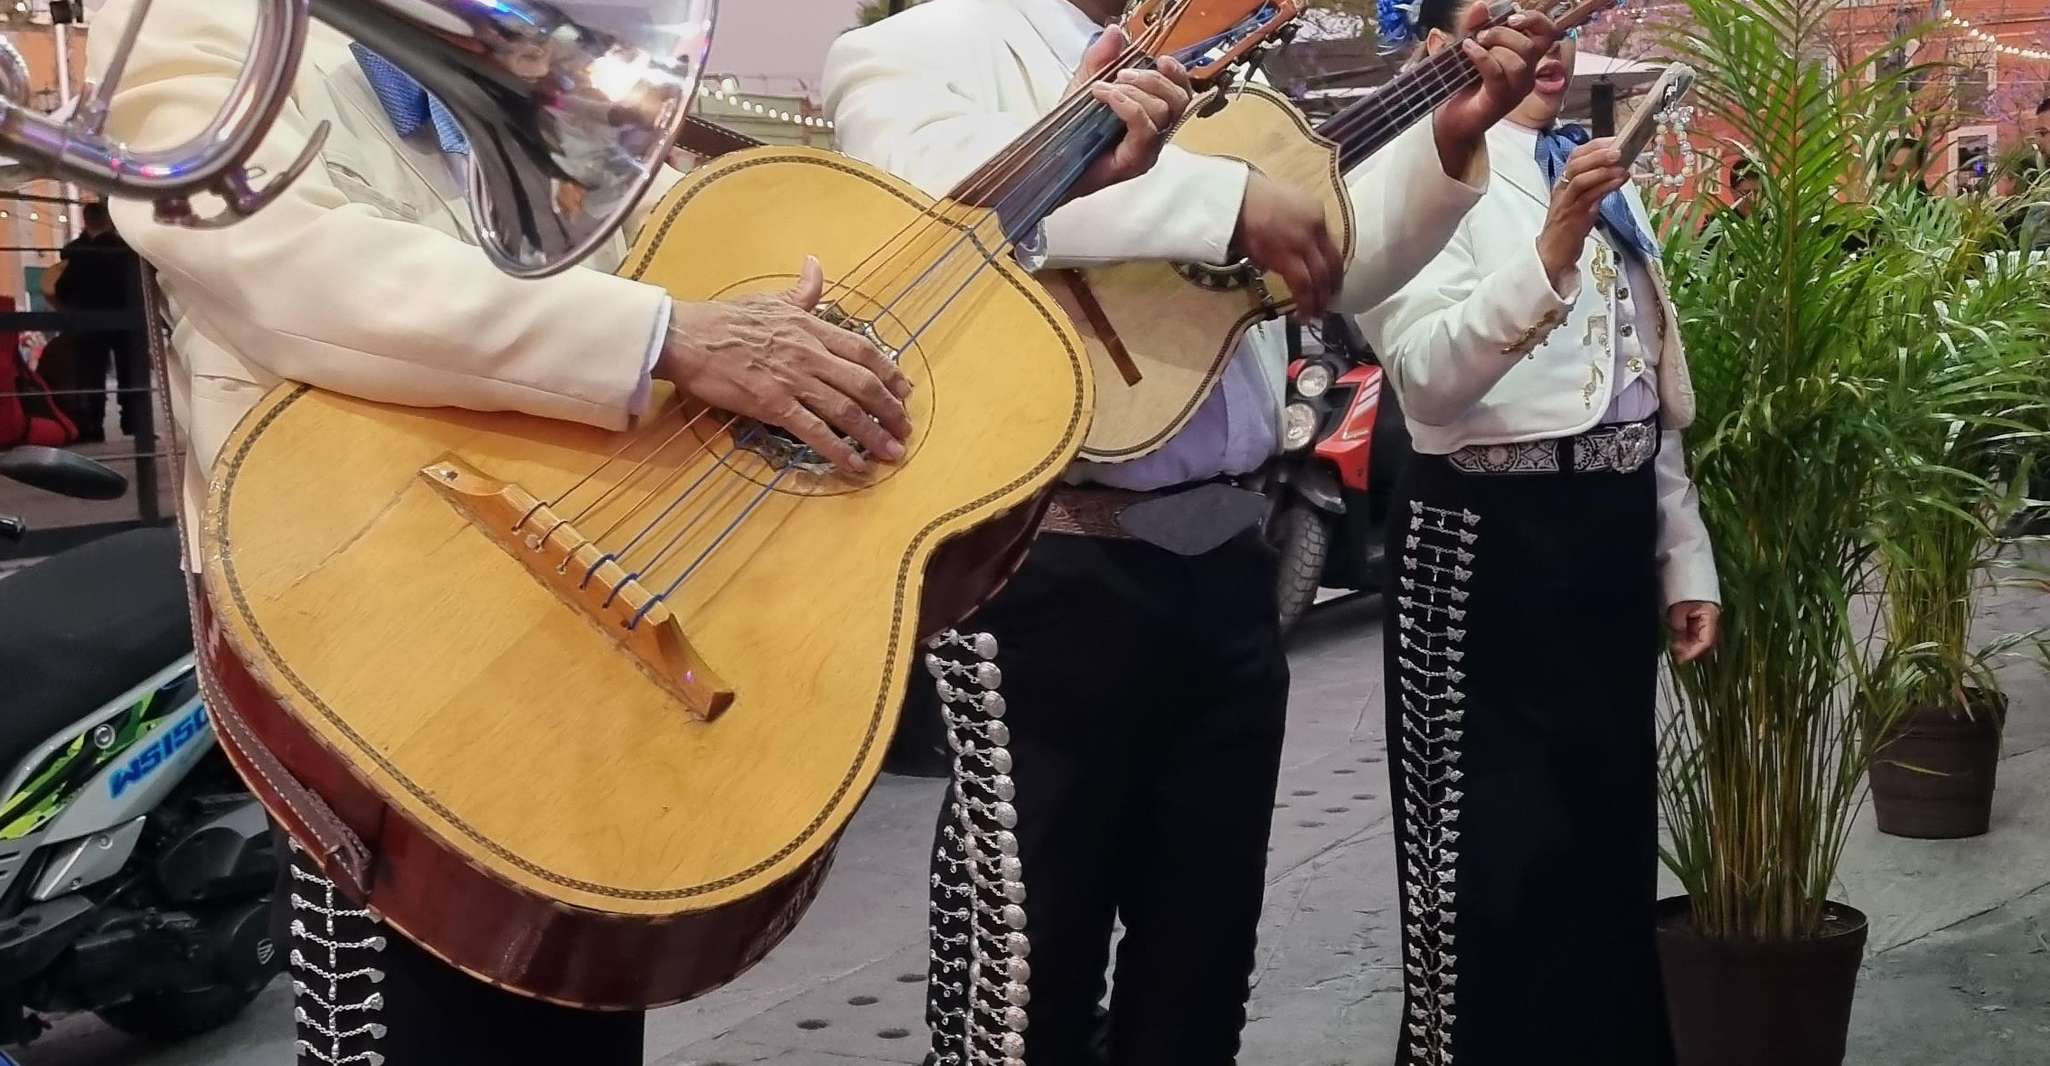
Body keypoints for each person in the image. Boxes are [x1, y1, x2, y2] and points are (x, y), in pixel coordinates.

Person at [86, 1, 1190, 1063]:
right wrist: (666, 334)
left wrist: (1047, 163)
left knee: (567, 1015)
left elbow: (742, 244)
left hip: (575, 595)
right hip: (364, 610)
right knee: (403, 1020)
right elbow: (275, 259)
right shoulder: (206, 15)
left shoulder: (533, 36)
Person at [826, 0, 1555, 1062]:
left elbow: (1327, 258)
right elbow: (929, 200)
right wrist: (1221, 197)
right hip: (1043, 564)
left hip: (1225, 567)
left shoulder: (1220, 65)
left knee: (1203, 962)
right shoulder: (924, 43)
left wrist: (1449, 136)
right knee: (1023, 980)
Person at [1356, 5, 1721, 1064]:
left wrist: (1680, 556)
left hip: (1603, 545)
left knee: (1606, 862)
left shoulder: (1590, 164)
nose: (1547, 40)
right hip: (1481, 545)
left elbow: (1641, 385)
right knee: (1486, 877)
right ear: (1437, 40)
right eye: (1507, 14)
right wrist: (1555, 241)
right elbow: (1424, 379)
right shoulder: (1405, 169)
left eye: (1558, 15)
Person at [42, 201, 146, 442]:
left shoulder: (73, 251)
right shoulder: (125, 249)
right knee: (130, 371)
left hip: (87, 321)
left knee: (90, 374)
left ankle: (92, 424)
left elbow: (58, 287)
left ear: (85, 219)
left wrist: (67, 310)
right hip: (124, 318)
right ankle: (133, 422)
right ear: (109, 221)